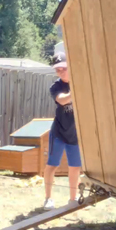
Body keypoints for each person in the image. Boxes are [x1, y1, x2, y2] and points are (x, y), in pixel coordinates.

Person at [43, 52, 81, 210]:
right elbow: (63, 100)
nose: (60, 72)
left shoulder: (81, 81)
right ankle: (48, 198)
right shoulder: (56, 87)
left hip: (76, 134)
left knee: (75, 166)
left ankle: (73, 199)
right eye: (57, 70)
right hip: (58, 133)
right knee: (52, 165)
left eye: (63, 68)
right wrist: (78, 91)